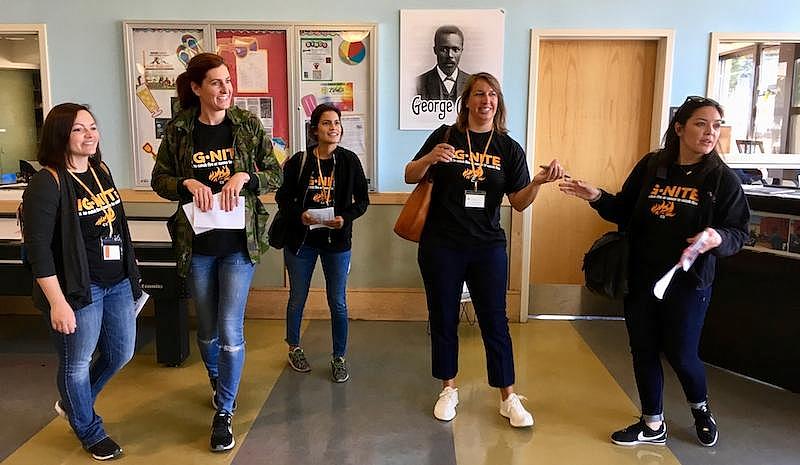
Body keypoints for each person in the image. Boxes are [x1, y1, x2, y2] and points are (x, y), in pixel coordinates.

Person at [559, 96, 750, 447]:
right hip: (642, 277)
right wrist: (596, 195)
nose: (710, 133)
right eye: (701, 123)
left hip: (689, 283)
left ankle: (700, 409)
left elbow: (739, 232)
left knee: (681, 353)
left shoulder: (722, 180)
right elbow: (623, 210)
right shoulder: (652, 166)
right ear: (679, 128)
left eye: (716, 125)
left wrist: (716, 237)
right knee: (643, 348)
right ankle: (652, 422)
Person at [405, 72, 564, 427]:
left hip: (487, 247)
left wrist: (537, 183)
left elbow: (519, 203)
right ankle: (448, 388)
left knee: (495, 321)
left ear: (499, 103)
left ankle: (508, 397)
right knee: (443, 317)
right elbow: (409, 174)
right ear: (467, 101)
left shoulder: (508, 148)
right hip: (441, 245)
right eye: (479, 94)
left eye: (492, 95)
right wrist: (431, 157)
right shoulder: (446, 136)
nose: (485, 101)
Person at [151, 52, 281, 452]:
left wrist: (247, 176)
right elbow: (160, 179)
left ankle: (224, 410)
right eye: (216, 83)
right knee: (206, 331)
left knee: (229, 327)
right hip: (198, 246)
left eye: (228, 81)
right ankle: (219, 378)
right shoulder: (179, 130)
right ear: (196, 88)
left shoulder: (246, 124)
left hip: (239, 246)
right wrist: (186, 184)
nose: (226, 89)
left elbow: (275, 173)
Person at [22, 103, 143, 461]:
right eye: (79, 129)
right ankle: (89, 429)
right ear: (60, 134)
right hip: (79, 289)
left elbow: (116, 224)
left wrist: (132, 272)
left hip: (118, 281)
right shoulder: (48, 181)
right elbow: (38, 250)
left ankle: (75, 403)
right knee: (76, 363)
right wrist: (58, 302)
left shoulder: (100, 170)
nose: (90, 134)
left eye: (92, 127)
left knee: (121, 352)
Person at [276, 103, 369, 382]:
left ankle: (339, 357)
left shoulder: (350, 161)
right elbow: (283, 198)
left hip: (336, 241)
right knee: (297, 298)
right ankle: (294, 347)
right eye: (327, 123)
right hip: (302, 241)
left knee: (337, 301)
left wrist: (345, 218)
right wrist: (300, 215)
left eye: (337, 123)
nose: (334, 128)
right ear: (315, 129)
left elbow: (363, 202)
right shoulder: (299, 162)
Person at [416, 25, 471, 102]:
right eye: (444, 49)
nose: (450, 55)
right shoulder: (418, 83)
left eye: (455, 49)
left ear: (461, 51)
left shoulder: (472, 83)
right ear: (435, 50)